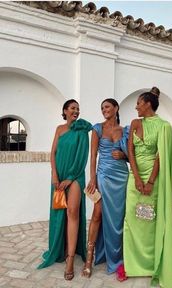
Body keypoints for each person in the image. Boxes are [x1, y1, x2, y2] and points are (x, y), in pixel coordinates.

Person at [123, 87, 172, 288]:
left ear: (148, 104)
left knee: (149, 219)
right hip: (134, 177)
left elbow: (160, 156)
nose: (136, 106)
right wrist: (137, 178)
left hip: (153, 180)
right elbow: (130, 150)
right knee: (132, 218)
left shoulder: (164, 126)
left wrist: (149, 182)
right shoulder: (135, 123)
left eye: (139, 103)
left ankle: (151, 263)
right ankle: (133, 264)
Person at [38, 99, 92, 281]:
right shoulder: (59, 129)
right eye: (72, 108)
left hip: (75, 176)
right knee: (59, 212)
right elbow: (53, 153)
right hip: (59, 176)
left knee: (72, 212)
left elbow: (83, 155)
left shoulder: (83, 129)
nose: (76, 111)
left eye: (78, 108)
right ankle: (60, 248)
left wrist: (70, 177)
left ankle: (70, 259)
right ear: (65, 111)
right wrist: (54, 175)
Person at [82, 98, 129, 280]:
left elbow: (130, 156)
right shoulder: (97, 128)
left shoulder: (125, 130)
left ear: (116, 108)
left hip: (121, 177)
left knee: (118, 217)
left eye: (107, 107)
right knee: (97, 213)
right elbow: (93, 155)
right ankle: (89, 258)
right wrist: (93, 178)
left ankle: (117, 258)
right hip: (102, 175)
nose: (104, 110)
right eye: (102, 108)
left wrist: (123, 154)